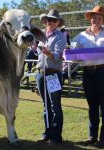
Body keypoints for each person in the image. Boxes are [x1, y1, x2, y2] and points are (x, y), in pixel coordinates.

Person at [73, 5, 104, 148]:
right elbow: (74, 55)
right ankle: (92, 137)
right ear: (90, 19)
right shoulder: (80, 36)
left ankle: (103, 139)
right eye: (94, 17)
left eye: (99, 18)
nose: (96, 20)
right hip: (87, 73)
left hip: (103, 72)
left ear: (102, 20)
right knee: (92, 106)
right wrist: (69, 53)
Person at [35, 9, 66, 145]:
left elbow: (58, 56)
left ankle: (56, 136)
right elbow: (36, 52)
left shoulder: (60, 37)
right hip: (41, 74)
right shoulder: (41, 36)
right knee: (46, 105)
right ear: (45, 21)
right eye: (49, 20)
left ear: (58, 22)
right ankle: (47, 133)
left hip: (53, 74)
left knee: (55, 106)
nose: (51, 22)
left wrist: (49, 53)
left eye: (54, 20)